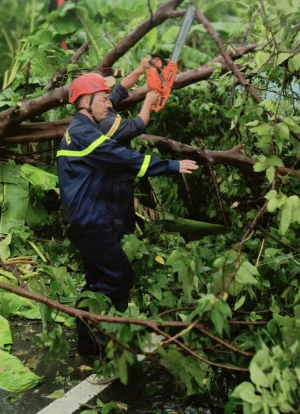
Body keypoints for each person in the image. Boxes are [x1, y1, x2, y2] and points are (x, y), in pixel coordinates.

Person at [57, 73, 198, 355]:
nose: (108, 104)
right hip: (91, 223)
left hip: (86, 221)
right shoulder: (85, 133)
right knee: (120, 277)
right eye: (104, 99)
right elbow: (122, 157)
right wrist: (170, 165)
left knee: (96, 282)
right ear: (85, 101)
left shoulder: (82, 129)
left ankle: (90, 343)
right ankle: (109, 339)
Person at [96, 57, 160, 239]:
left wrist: (141, 68)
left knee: (124, 217)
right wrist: (148, 101)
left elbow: (121, 89)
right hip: (113, 180)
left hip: (118, 177)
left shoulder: (103, 105)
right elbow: (136, 126)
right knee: (119, 225)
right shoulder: (105, 121)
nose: (109, 96)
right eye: (104, 94)